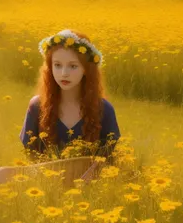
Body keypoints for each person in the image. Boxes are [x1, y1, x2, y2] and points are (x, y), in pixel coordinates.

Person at [19, 28, 121, 175]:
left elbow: (109, 158)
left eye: (73, 66)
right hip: (45, 185)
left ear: (86, 69)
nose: (64, 73)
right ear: (49, 67)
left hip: (90, 188)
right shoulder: (37, 106)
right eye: (57, 65)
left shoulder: (104, 109)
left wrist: (91, 175)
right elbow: (30, 157)